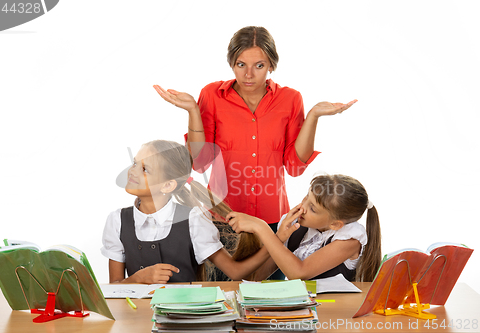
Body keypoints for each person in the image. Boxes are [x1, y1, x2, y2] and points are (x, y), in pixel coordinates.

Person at [153, 26, 357, 230]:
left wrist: (313, 116)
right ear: (232, 64)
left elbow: (295, 167)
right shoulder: (212, 95)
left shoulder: (290, 99)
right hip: (221, 218)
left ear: (271, 66)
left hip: (271, 219)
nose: (248, 74)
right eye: (241, 64)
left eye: (259, 66)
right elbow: (200, 163)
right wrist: (193, 111)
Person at [100, 140, 297, 283]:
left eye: (145, 169)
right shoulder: (117, 220)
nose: (132, 171)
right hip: (136, 320)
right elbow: (115, 287)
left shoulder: (193, 219)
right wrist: (137, 279)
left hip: (186, 319)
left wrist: (277, 239)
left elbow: (235, 273)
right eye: (135, 163)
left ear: (167, 185)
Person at [226, 174, 382, 282]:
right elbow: (256, 277)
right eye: (307, 196)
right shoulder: (299, 229)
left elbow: (299, 272)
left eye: (313, 208)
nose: (303, 207)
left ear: (335, 224)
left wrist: (262, 228)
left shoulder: (349, 239)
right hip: (304, 313)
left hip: (334, 315)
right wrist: (279, 238)